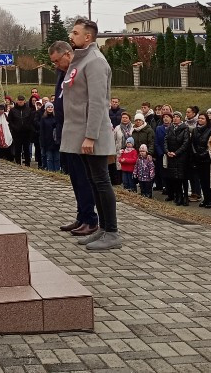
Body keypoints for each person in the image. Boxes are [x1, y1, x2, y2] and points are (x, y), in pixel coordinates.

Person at [59, 19, 121, 250]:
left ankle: (112, 232)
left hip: (91, 134)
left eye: (75, 33)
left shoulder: (95, 62)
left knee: (102, 181)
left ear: (88, 37)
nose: (71, 36)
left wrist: (91, 136)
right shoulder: (80, 60)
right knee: (94, 182)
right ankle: (102, 228)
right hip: (81, 133)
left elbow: (97, 102)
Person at [50, 41, 99, 237]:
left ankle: (91, 219)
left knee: (84, 178)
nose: (55, 65)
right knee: (75, 178)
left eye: (56, 61)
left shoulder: (79, 71)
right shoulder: (62, 73)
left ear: (68, 55)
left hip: (79, 131)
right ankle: (81, 216)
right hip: (65, 130)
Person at [164, 111, 191, 206]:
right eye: (174, 116)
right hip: (171, 156)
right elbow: (166, 140)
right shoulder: (170, 128)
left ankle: (185, 197)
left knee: (183, 177)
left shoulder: (185, 128)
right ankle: (178, 196)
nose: (175, 118)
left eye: (177, 117)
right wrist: (167, 151)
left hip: (181, 157)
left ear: (180, 118)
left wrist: (176, 153)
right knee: (175, 177)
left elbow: (185, 143)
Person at [190, 109, 211, 208]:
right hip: (197, 158)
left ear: (206, 120)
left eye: (202, 118)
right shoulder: (195, 130)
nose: (200, 120)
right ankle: (205, 199)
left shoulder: (210, 130)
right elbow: (192, 143)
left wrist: (204, 154)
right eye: (199, 118)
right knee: (202, 180)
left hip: (206, 159)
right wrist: (195, 153)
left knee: (208, 180)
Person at [8, 95, 36, 167]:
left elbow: (31, 120)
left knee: (26, 149)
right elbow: (10, 121)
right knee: (18, 148)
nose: (20, 101)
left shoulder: (29, 110)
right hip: (16, 133)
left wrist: (28, 127)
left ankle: (27, 163)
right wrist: (14, 127)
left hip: (27, 133)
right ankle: (18, 163)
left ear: (24, 101)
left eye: (22, 100)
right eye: (19, 100)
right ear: (17, 101)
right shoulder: (13, 110)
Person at [39, 101, 61, 172]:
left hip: (56, 141)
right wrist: (42, 142)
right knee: (49, 158)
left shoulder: (56, 118)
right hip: (47, 141)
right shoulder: (43, 119)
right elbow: (42, 131)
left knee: (57, 158)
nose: (50, 108)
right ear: (46, 109)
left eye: (51, 107)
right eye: (48, 107)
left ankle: (57, 171)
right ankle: (50, 171)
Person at [154, 109, 171, 195]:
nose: (165, 119)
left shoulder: (172, 128)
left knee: (170, 172)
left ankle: (171, 189)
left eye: (167, 117)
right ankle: (165, 187)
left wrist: (169, 152)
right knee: (163, 172)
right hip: (162, 154)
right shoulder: (159, 128)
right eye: (164, 117)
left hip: (171, 154)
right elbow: (156, 142)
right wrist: (161, 153)